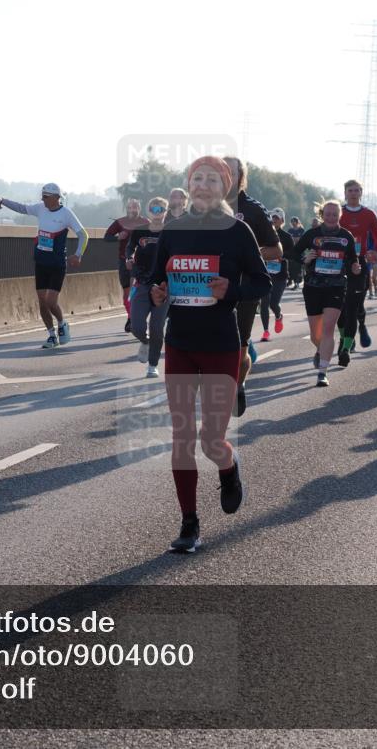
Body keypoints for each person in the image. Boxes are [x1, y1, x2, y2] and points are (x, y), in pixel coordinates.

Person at [149, 156, 270, 553]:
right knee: (182, 438)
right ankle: (189, 523)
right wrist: (157, 292)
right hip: (180, 344)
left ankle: (229, 469)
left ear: (225, 188)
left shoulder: (238, 231)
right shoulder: (174, 230)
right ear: (189, 185)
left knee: (210, 441)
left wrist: (230, 291)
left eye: (211, 180)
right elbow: (155, 278)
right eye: (196, 179)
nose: (202, 185)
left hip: (220, 345)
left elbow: (260, 282)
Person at [223, 156, 282, 417]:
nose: (226, 176)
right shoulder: (202, 208)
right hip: (209, 289)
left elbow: (277, 249)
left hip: (244, 289)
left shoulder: (254, 210)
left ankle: (239, 383)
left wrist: (252, 254)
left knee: (240, 348)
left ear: (240, 177)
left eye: (231, 172)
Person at [0, 184, 88, 348]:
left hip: (57, 264)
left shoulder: (66, 214)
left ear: (55, 197)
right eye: (42, 196)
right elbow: (22, 208)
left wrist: (78, 254)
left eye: (45, 196)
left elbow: (83, 234)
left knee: (51, 301)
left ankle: (62, 324)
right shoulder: (40, 209)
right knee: (42, 301)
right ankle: (51, 335)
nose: (42, 199)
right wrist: (3, 201)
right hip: (41, 262)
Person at [294, 201, 361, 386]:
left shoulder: (346, 236)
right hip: (313, 286)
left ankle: (322, 372)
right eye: (328, 214)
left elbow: (352, 260)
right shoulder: (312, 234)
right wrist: (305, 259)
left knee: (328, 328)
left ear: (340, 215)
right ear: (322, 214)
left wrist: (355, 268)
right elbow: (294, 253)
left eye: (335, 214)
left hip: (336, 286)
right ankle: (320, 350)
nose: (331, 217)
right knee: (316, 335)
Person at [337, 179, 377, 366]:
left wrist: (375, 251)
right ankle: (346, 336)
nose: (354, 193)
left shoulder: (368, 214)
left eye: (357, 190)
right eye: (350, 190)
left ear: (361, 193)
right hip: (339, 262)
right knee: (339, 306)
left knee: (354, 305)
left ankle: (348, 342)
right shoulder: (339, 212)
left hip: (360, 261)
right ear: (345, 193)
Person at [127, 197, 170, 377]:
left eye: (161, 208)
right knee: (136, 326)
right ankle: (145, 342)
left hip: (163, 285)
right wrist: (129, 258)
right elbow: (129, 248)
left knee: (157, 327)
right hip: (142, 282)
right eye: (154, 208)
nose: (157, 211)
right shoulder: (140, 231)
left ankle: (152, 365)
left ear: (166, 211)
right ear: (149, 210)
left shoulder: (170, 232)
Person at [104, 199, 148, 331]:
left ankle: (137, 320)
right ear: (127, 209)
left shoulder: (146, 223)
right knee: (127, 293)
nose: (132, 210)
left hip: (141, 263)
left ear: (139, 209)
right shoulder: (120, 222)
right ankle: (131, 317)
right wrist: (118, 237)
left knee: (138, 292)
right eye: (130, 208)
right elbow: (106, 237)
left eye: (135, 208)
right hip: (124, 260)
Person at [261, 208, 292, 340]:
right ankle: (266, 331)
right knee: (264, 303)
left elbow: (293, 254)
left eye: (277, 218)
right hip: (265, 273)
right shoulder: (263, 235)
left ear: (282, 221)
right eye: (272, 218)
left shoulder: (286, 237)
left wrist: (281, 255)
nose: (274, 220)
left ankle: (278, 316)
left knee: (273, 304)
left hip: (280, 275)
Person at [286, 217, 306, 288]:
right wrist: (296, 239)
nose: (293, 223)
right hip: (291, 250)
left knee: (298, 267)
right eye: (292, 222)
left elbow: (301, 240)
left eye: (294, 221)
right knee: (290, 266)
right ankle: (290, 280)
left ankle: (297, 282)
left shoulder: (301, 230)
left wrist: (295, 239)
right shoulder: (290, 230)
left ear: (297, 222)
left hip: (300, 251)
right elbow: (289, 240)